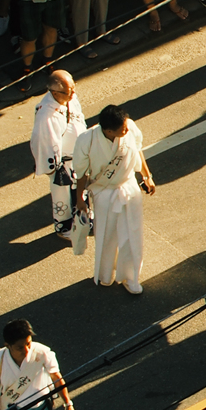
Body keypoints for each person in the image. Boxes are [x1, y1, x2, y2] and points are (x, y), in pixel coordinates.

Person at [74, 103, 155, 294]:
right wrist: (79, 199)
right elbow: (81, 173)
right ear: (108, 130)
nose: (126, 130)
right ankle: (105, 273)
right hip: (103, 191)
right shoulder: (87, 140)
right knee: (106, 235)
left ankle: (130, 276)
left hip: (128, 186)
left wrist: (147, 175)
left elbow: (137, 150)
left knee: (132, 233)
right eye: (122, 129)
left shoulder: (129, 127)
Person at [32, 70, 87, 238]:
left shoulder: (70, 98)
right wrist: (53, 168)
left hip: (79, 156)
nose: (73, 94)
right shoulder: (46, 115)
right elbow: (44, 142)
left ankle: (84, 220)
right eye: (68, 92)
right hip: (63, 163)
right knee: (63, 196)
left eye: (73, 88)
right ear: (55, 93)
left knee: (82, 191)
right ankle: (65, 228)